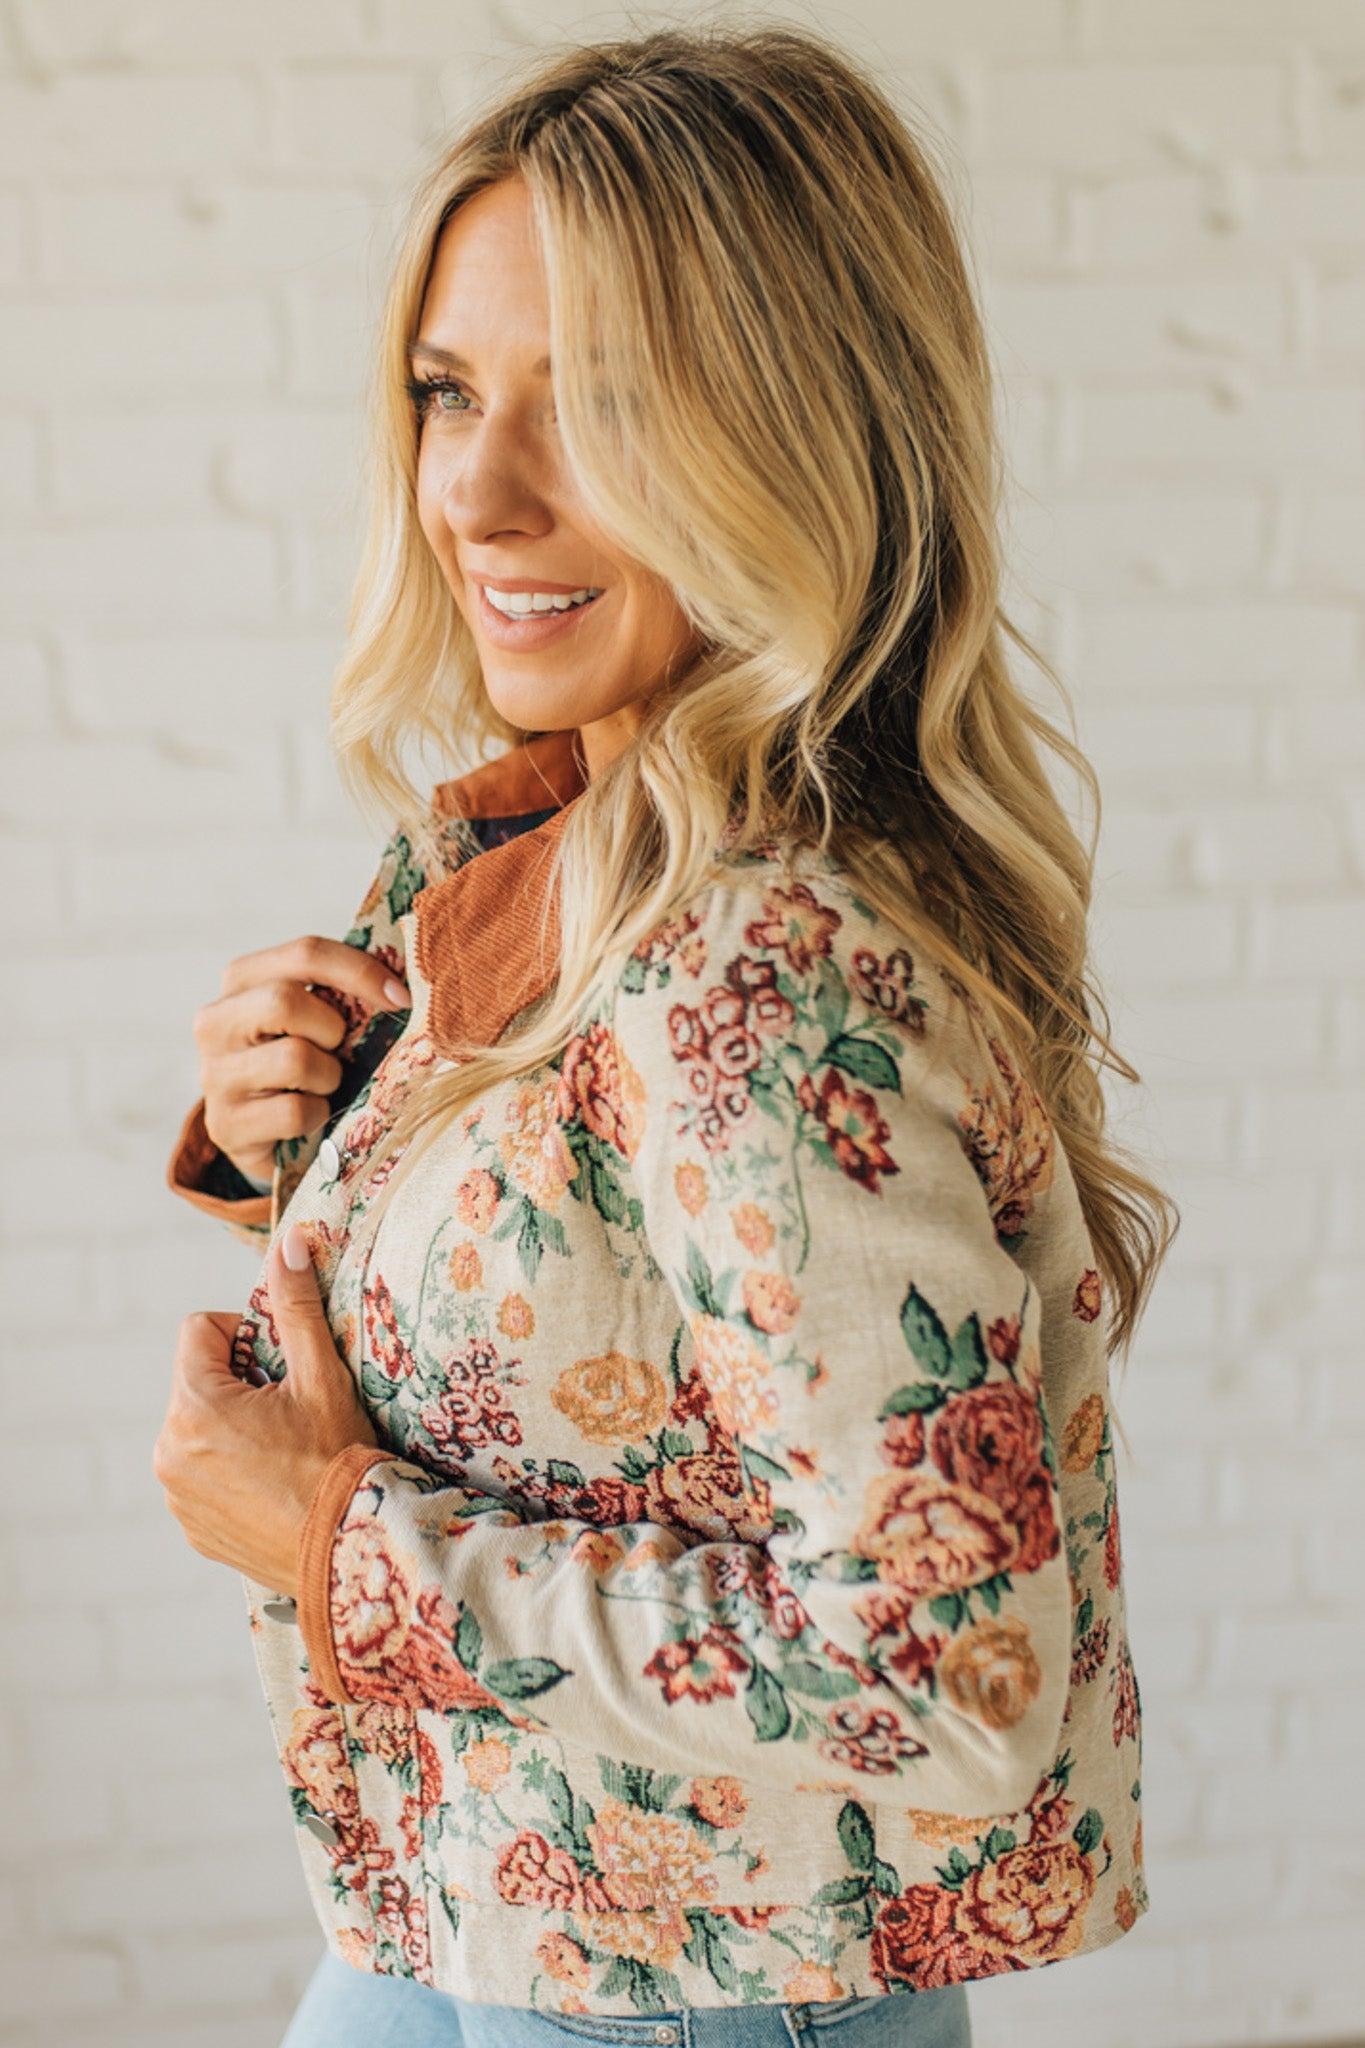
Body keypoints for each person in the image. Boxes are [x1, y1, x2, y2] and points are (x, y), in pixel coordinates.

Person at [155, 22, 1175, 2047]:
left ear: (791, 434)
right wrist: (308, 1120)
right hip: (488, 1907)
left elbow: (939, 1676)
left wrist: (339, 1546)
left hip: (691, 1988)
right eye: (453, 392)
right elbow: (634, 1357)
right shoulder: (564, 838)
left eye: (600, 402)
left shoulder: (767, 961)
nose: (480, 487)